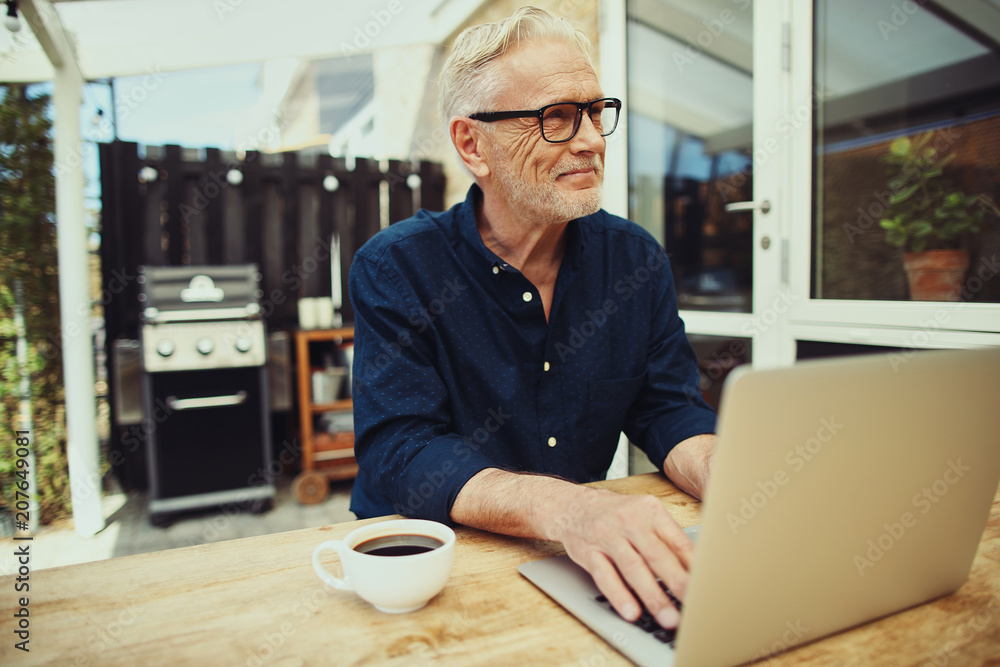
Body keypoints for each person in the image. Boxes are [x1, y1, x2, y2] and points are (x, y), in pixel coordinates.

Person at [348, 6, 717, 630]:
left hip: (579, 558)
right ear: (473, 144)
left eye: (596, 111)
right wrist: (569, 511)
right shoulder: (397, 266)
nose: (593, 140)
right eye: (556, 118)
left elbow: (665, 407)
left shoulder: (635, 259)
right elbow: (402, 450)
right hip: (423, 570)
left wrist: (722, 470)